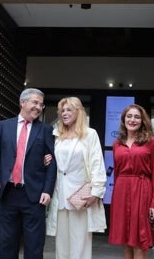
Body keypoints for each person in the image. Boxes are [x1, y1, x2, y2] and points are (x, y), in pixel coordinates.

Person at [0, 88, 57, 259]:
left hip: (33, 195)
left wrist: (47, 190)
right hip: (8, 193)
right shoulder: (5, 126)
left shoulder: (45, 130)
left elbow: (52, 162)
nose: (38, 107)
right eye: (35, 102)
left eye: (41, 104)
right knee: (7, 243)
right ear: (23, 102)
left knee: (34, 246)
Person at [46, 97, 107, 259]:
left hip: (81, 196)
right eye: (62, 111)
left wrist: (96, 192)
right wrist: (47, 160)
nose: (64, 114)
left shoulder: (89, 134)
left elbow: (97, 163)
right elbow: (53, 161)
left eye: (69, 110)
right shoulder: (56, 135)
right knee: (62, 245)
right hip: (60, 195)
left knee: (80, 244)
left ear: (78, 112)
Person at [108, 104, 154, 259]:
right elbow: (116, 172)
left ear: (142, 120)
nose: (132, 120)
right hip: (121, 192)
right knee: (125, 240)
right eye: (129, 116)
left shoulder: (150, 142)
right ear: (124, 119)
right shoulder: (116, 144)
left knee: (139, 239)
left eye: (137, 117)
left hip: (142, 190)